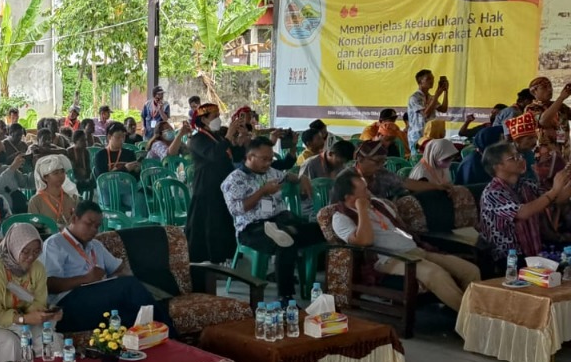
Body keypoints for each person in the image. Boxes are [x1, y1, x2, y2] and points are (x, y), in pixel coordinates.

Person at [331, 170, 480, 312]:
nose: (368, 191)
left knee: (470, 271)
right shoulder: (340, 218)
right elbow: (364, 241)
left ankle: (466, 315)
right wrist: (362, 210)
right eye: (363, 190)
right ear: (348, 197)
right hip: (390, 259)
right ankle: (474, 320)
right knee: (436, 274)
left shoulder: (379, 204)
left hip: (415, 250)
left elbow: (399, 227)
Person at [41, 201, 170, 334]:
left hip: (97, 298)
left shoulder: (95, 245)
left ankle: (151, 343)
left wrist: (115, 278)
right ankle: (169, 335)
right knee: (129, 286)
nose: (94, 230)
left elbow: (120, 268)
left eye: (97, 226)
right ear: (74, 219)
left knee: (130, 313)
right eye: (89, 224)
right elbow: (49, 284)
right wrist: (85, 278)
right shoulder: (55, 243)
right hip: (68, 303)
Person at [222, 137, 323, 300]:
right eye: (264, 159)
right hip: (252, 228)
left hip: (281, 220)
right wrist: (262, 192)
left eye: (270, 159)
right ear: (249, 157)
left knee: (322, 229)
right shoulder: (235, 180)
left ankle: (288, 231)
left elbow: (287, 176)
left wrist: (301, 178)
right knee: (286, 245)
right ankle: (286, 297)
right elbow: (236, 209)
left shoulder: (271, 172)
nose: (268, 163)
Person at [0, 222, 62, 362]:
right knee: (10, 341)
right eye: (25, 251)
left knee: (50, 339)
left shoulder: (37, 268)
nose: (31, 257)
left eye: (36, 251)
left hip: (20, 322)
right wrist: (24, 319)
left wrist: (47, 314)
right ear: (14, 248)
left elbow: (38, 303)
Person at [478, 141, 571, 261]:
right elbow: (522, 213)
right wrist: (553, 190)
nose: (521, 160)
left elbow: (555, 199)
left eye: (520, 156)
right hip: (507, 257)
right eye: (514, 158)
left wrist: (566, 181)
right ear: (497, 166)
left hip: (533, 251)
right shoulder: (492, 192)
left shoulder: (526, 184)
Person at [185, 104, 237, 263]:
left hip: (222, 184)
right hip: (206, 185)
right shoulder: (198, 138)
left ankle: (224, 256)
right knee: (208, 223)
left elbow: (229, 155)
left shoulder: (216, 136)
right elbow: (213, 154)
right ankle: (206, 258)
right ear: (203, 119)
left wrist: (238, 140)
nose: (218, 119)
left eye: (218, 115)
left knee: (221, 221)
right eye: (214, 116)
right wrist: (228, 137)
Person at [28, 154, 77, 227]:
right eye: (56, 173)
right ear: (45, 177)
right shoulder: (36, 201)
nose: (61, 175)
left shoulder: (72, 197)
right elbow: (34, 226)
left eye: (62, 171)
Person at [407, 69, 448, 149]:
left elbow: (443, 109)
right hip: (417, 136)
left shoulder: (430, 97)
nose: (432, 81)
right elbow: (425, 114)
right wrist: (437, 95)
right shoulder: (414, 98)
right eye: (428, 79)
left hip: (430, 135)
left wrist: (446, 92)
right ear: (420, 82)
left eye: (432, 78)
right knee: (418, 160)